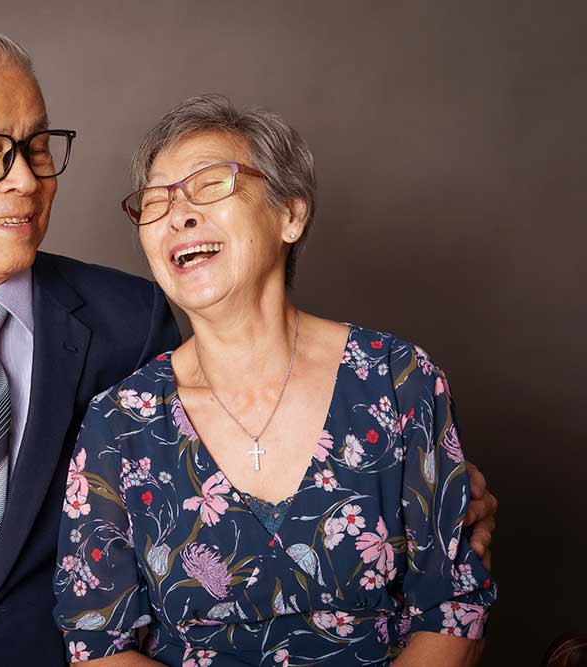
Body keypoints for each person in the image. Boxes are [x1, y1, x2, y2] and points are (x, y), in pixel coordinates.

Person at [0, 22, 495, 667]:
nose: (24, 179)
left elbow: (215, 496)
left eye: (37, 147)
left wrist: (434, 504)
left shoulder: (127, 319)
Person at [53, 95, 496, 666]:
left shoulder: (398, 380)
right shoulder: (120, 422)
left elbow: (453, 608)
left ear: (291, 214)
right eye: (157, 198)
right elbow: (97, 646)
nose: (177, 213)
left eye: (209, 183)